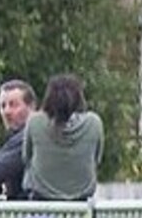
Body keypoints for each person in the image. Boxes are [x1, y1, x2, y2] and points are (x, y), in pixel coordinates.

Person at [22, 73, 102, 201]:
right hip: (81, 204)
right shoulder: (94, 122)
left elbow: (26, 158)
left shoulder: (35, 121)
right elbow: (96, 159)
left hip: (41, 203)